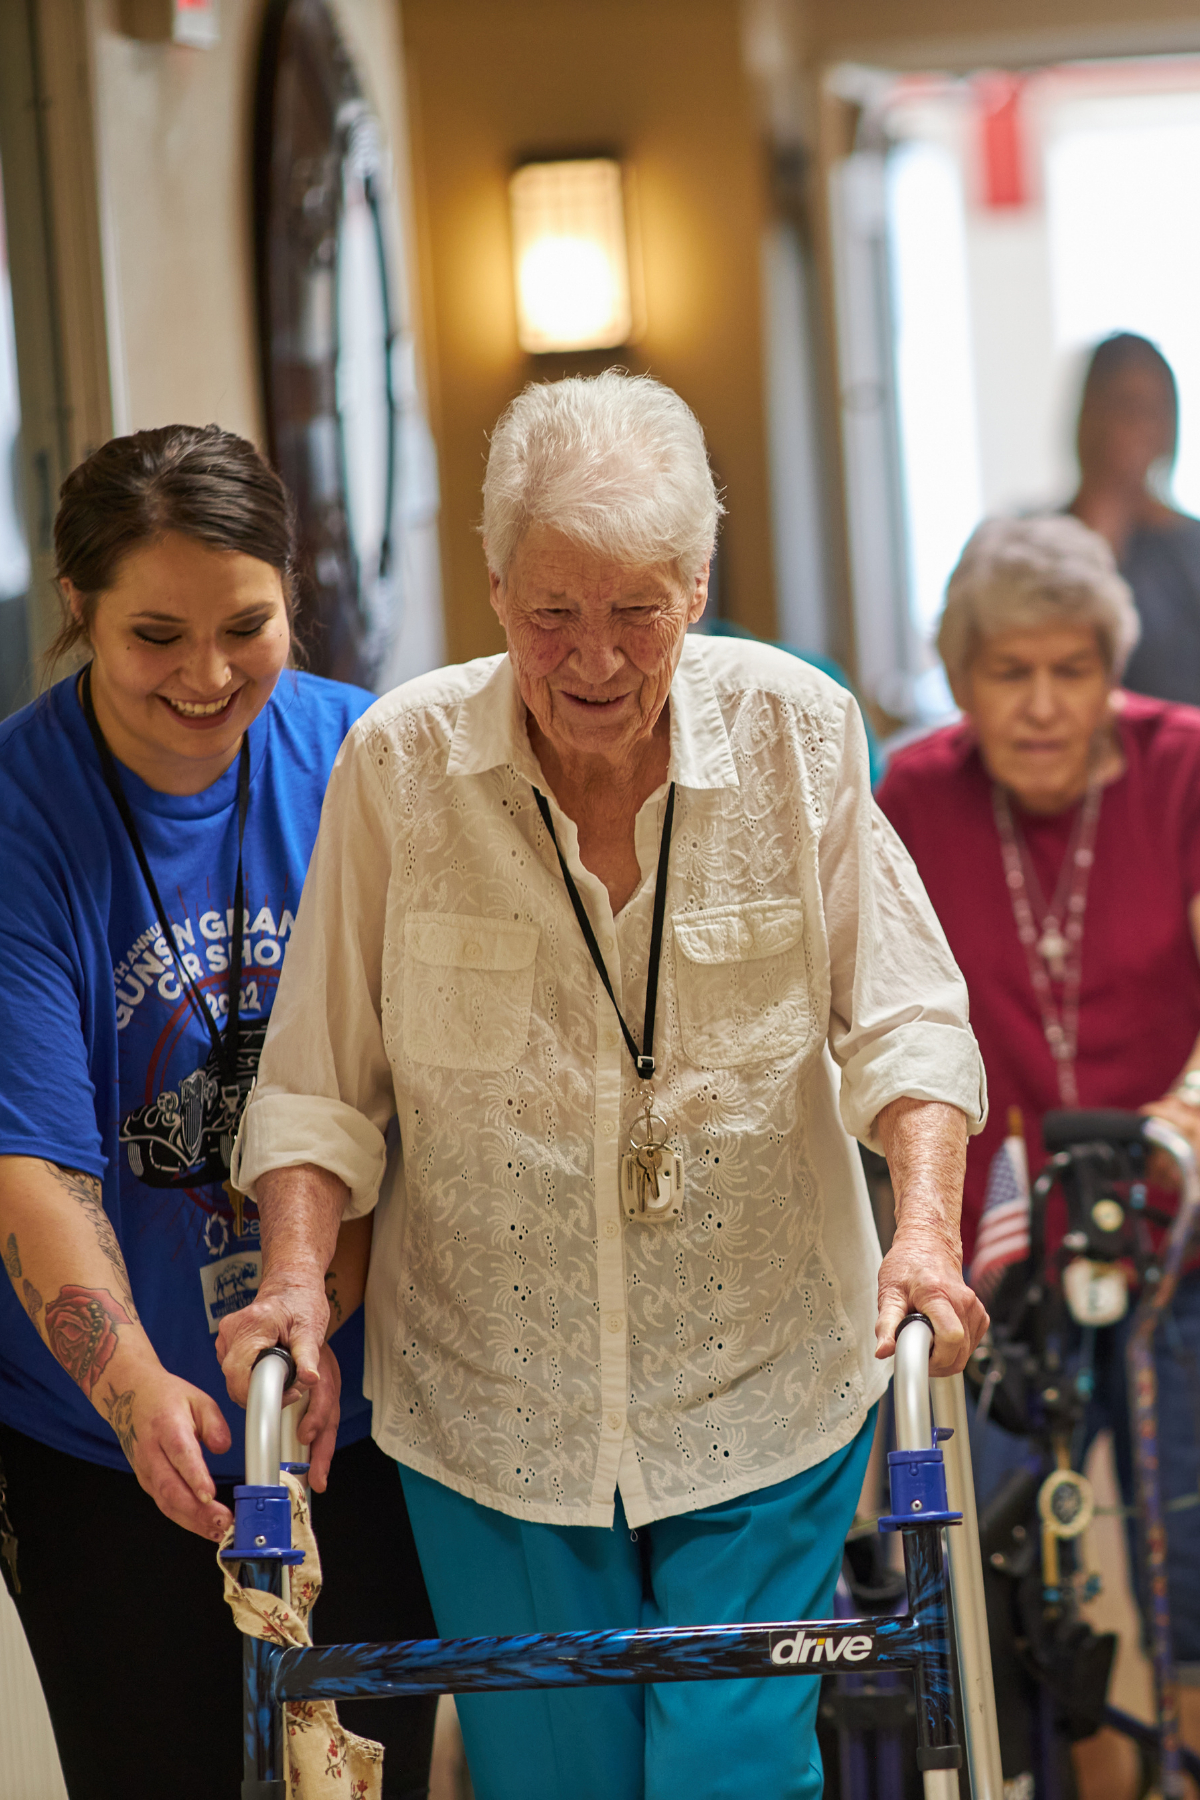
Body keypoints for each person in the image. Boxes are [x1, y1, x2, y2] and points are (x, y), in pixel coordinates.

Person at [218, 370, 988, 1800]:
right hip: (495, 1403)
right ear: (493, 583)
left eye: (635, 609)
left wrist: (925, 1233)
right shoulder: (399, 768)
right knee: (555, 1780)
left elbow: (908, 1020)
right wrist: (296, 1285)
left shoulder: (799, 735)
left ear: (698, 585)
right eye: (550, 613)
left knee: (726, 1769)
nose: (591, 657)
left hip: (763, 1370)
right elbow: (323, 1085)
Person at [0, 426, 436, 1800]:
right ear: (78, 608)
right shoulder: (21, 815)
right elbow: (34, 1166)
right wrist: (135, 1399)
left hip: (353, 1409)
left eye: (245, 627)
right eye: (154, 635)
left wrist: (326, 1312)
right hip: (100, 1436)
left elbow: (407, 1103)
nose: (204, 677)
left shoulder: (367, 757)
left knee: (362, 1772)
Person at [877, 512, 1200, 1796]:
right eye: (1011, 672)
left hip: (1173, 1227)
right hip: (992, 1255)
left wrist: (1177, 1128)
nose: (1047, 704)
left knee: (1185, 1555)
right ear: (962, 679)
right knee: (1014, 1576)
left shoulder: (1181, 764)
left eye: (1074, 670)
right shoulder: (914, 793)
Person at [1069, 331, 1200, 705]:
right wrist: (1103, 533)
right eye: (1124, 407)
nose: (1140, 427)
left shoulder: (1191, 544)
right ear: (1090, 414)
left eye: (1154, 411)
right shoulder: (1040, 543)